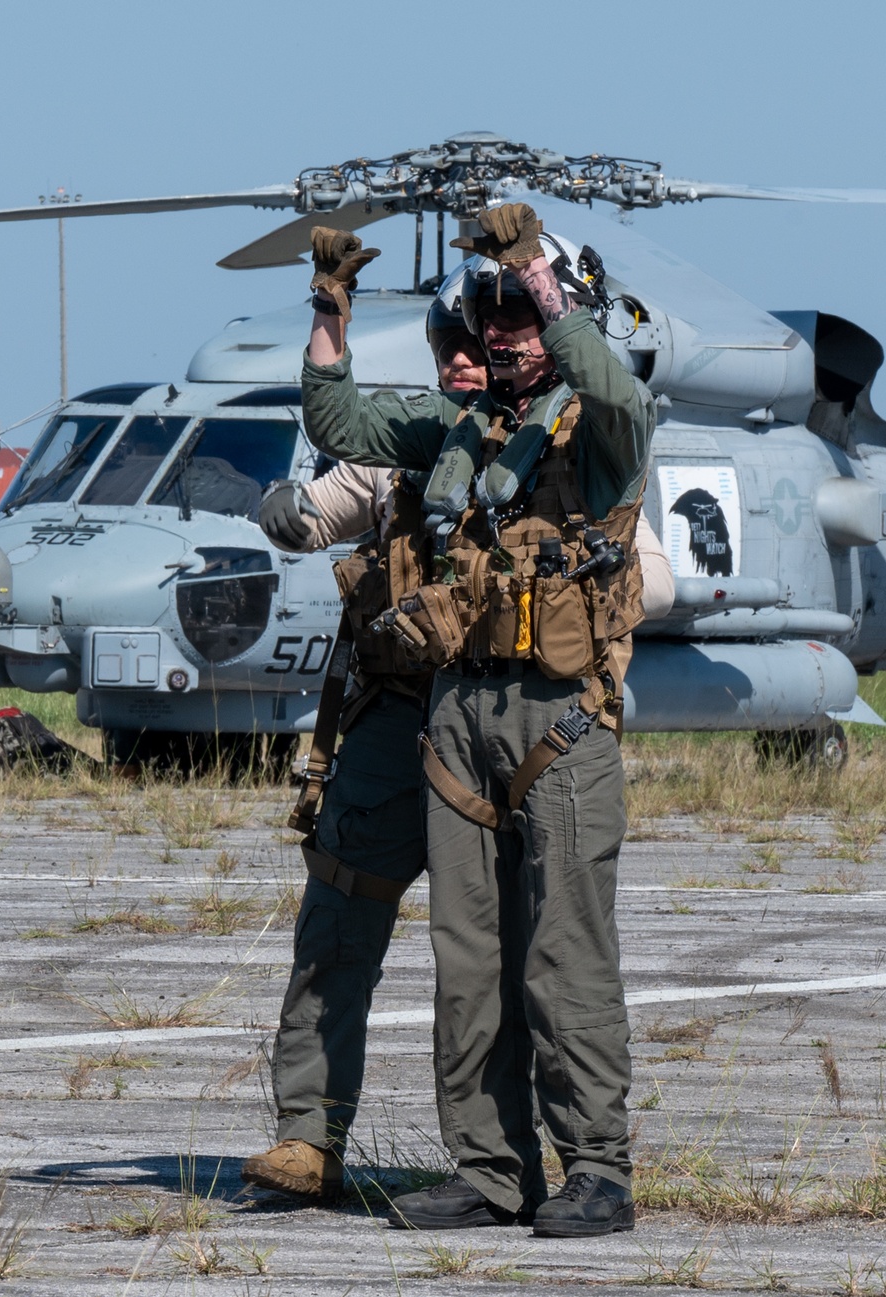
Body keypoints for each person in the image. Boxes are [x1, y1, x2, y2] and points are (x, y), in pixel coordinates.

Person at [243, 250, 671, 1214]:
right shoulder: (459, 431)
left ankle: (597, 1166)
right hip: (453, 715)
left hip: (557, 718)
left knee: (562, 954)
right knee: (467, 960)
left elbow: (617, 395)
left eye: (523, 315)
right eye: (492, 316)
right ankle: (489, 1169)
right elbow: (342, 423)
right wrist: (328, 319)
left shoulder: (599, 427)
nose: (504, 331)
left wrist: (552, 299)